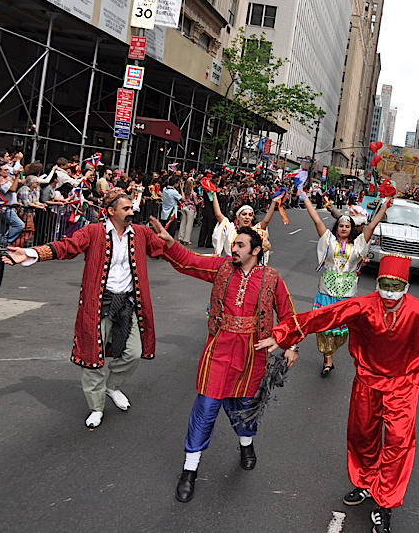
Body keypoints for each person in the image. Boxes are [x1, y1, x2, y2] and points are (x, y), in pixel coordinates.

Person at [255, 254, 419, 533]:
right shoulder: (361, 306)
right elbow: (321, 317)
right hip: (367, 382)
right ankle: (365, 482)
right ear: (378, 283)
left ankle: (386, 503)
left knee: (398, 443)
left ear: (406, 286)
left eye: (396, 286)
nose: (390, 293)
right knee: (361, 434)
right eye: (385, 285)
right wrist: (282, 335)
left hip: (403, 386)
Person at [150, 219, 299, 503]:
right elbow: (190, 261)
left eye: (240, 245)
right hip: (219, 348)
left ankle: (246, 445)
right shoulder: (221, 268)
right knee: (205, 408)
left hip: (252, 353)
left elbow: (288, 315)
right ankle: (190, 470)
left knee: (243, 407)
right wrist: (170, 243)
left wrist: (289, 345)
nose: (234, 249)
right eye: (233, 244)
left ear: (255, 251)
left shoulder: (272, 278)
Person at [3, 189, 166, 428]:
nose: (133, 212)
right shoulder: (93, 231)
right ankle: (96, 406)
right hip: (98, 305)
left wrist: (186, 250)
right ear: (111, 211)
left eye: (132, 208)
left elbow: (165, 250)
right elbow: (67, 246)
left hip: (128, 305)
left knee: (133, 353)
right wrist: (31, 252)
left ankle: (112, 387)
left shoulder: (141, 233)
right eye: (127, 209)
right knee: (92, 359)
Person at [302, 192, 390, 376]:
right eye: (341, 225)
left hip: (347, 293)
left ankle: (330, 354)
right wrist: (305, 198)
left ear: (352, 229)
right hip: (327, 291)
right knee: (325, 327)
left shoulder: (358, 244)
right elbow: (317, 221)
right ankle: (328, 360)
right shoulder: (329, 241)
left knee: (340, 331)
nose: (343, 228)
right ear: (337, 227)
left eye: (347, 226)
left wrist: (385, 206)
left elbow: (372, 225)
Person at [211, 189, 280, 263]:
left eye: (250, 215)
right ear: (237, 217)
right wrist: (213, 193)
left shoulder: (255, 231)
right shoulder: (230, 228)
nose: (247, 217)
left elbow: (266, 221)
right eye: (244, 214)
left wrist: (274, 201)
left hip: (249, 267)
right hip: (232, 266)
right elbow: (218, 214)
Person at [177, 177, 199, 245]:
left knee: (183, 223)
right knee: (189, 224)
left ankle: (180, 236)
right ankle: (186, 239)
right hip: (191, 209)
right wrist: (200, 200)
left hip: (184, 207)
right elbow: (196, 203)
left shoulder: (185, 192)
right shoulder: (193, 193)